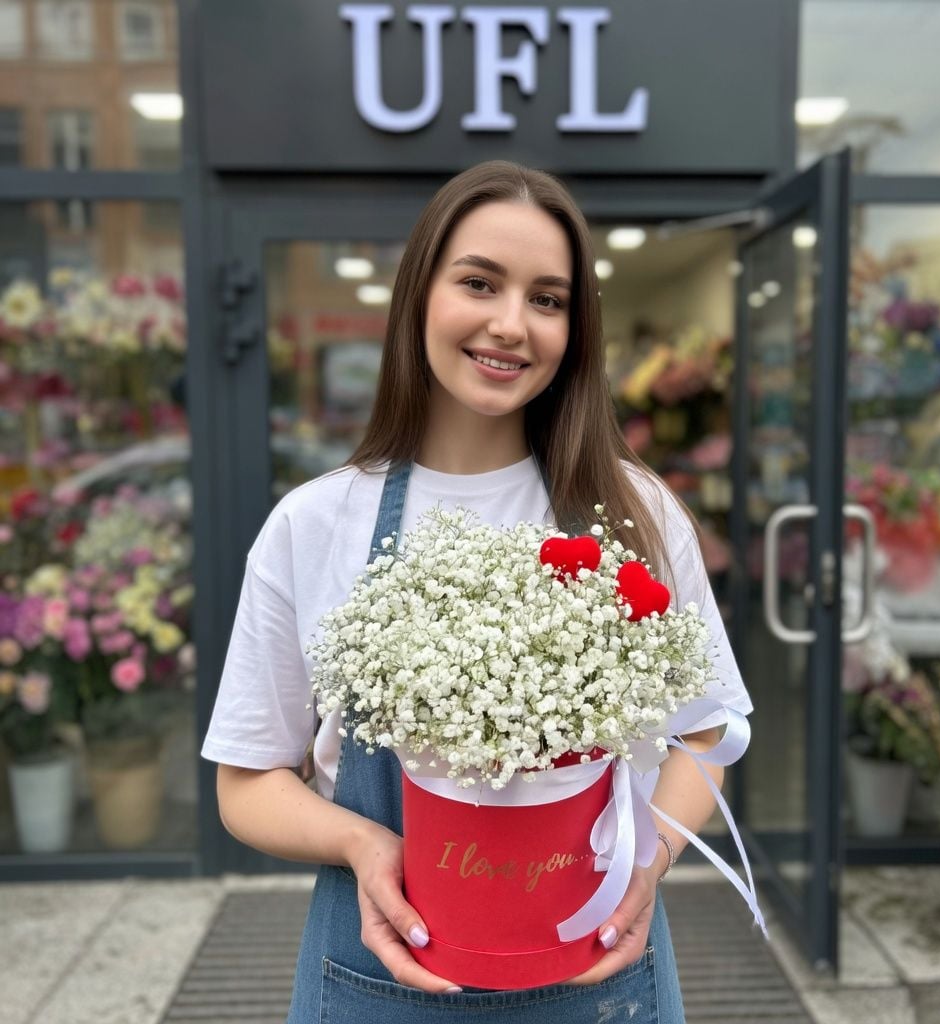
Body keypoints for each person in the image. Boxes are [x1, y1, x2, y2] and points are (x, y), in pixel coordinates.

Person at [201, 160, 753, 1023]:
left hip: (597, 975)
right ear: (420, 293)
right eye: (479, 283)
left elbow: (709, 730)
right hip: (379, 970)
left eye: (548, 298)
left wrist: (648, 863)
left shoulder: (634, 511)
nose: (510, 324)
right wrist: (362, 841)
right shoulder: (314, 524)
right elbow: (246, 781)